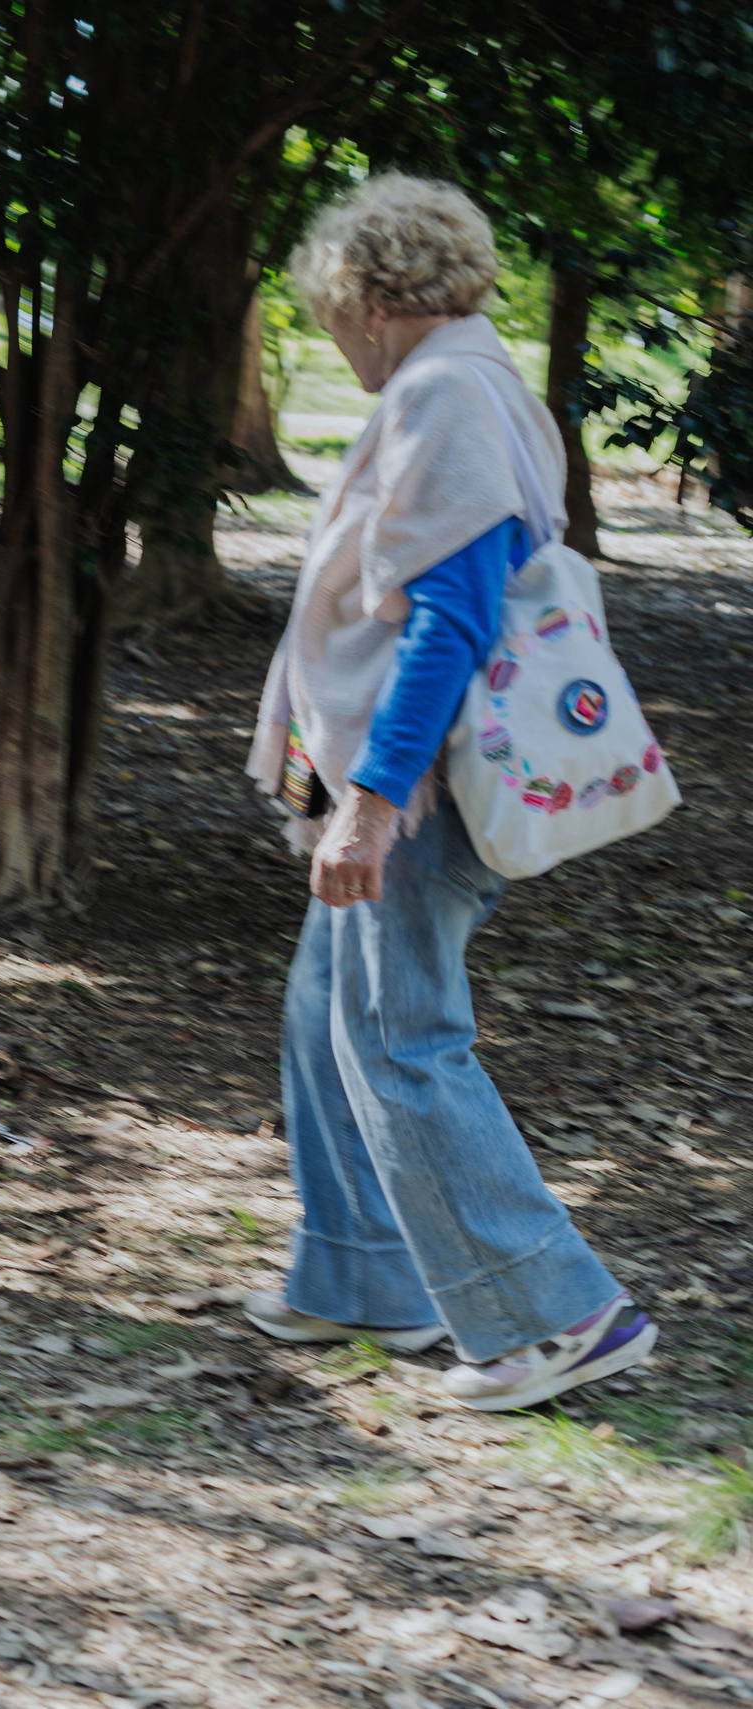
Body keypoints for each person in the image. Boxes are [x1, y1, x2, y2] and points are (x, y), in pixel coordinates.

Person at [241, 174, 653, 1412]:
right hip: (396, 769)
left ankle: (554, 1313)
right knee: (327, 1011)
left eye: (330, 314)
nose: (332, 337)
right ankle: (364, 1275)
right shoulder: (464, 382)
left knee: (397, 1037)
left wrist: (369, 800)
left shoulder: (443, 394)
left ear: (366, 299)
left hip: (420, 784)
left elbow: (449, 617)